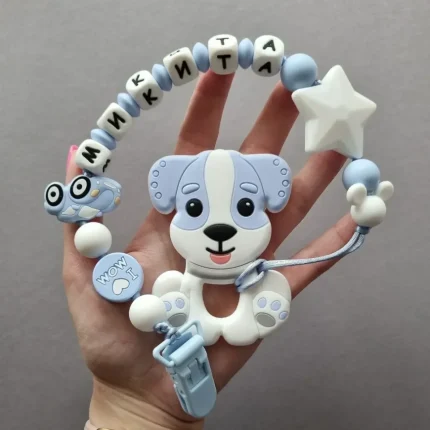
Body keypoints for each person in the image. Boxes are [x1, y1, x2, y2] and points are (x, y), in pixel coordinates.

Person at [63, 71, 354, 430]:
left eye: (246, 207)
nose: (219, 230)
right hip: (183, 300)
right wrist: (134, 407)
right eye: (194, 207)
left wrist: (133, 413)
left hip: (217, 296)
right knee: (175, 291)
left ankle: (249, 300)